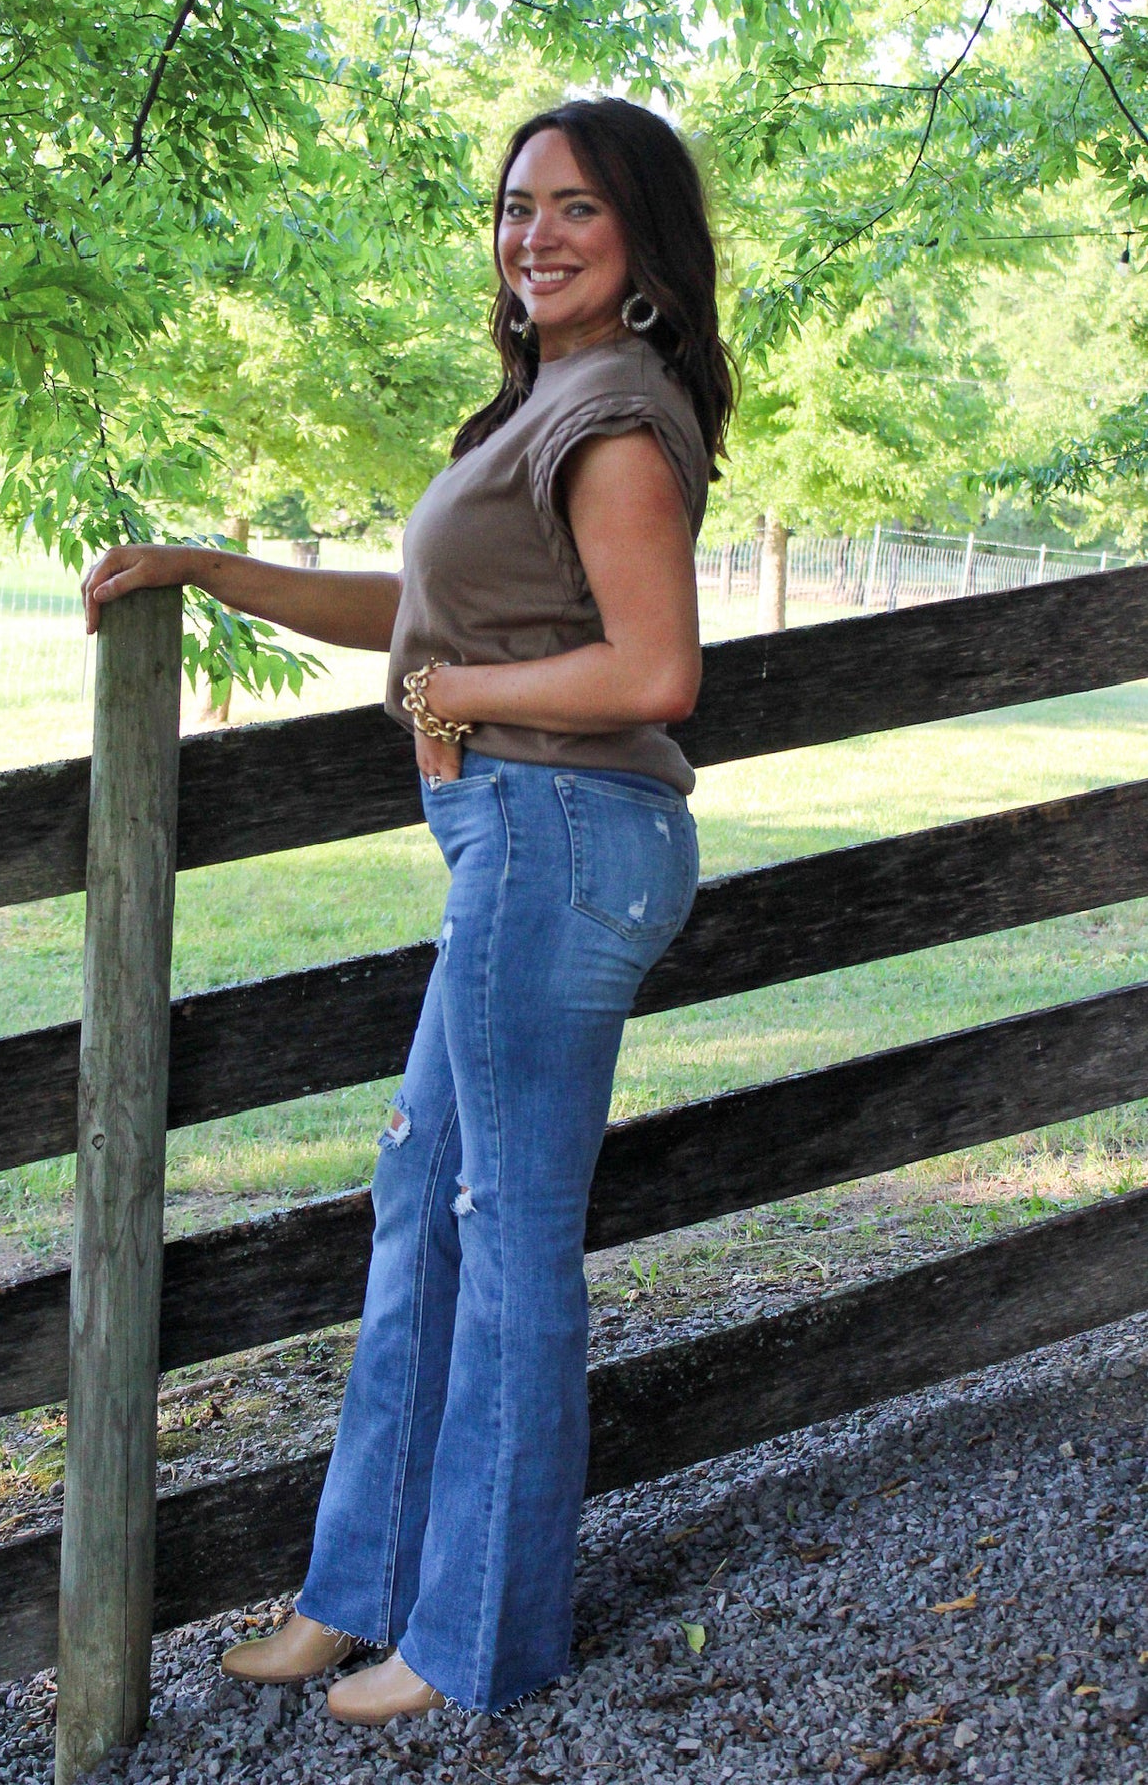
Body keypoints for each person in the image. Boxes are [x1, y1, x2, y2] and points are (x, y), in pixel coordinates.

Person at [81, 96, 736, 1725]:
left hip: (559, 836)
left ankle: (476, 1638)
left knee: (504, 1240)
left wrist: (452, 692)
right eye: (517, 206)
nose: (536, 234)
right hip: (521, 836)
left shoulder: (612, 416)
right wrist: (218, 572)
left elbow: (653, 671)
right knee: (424, 1212)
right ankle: (360, 1594)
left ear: (642, 235)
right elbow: (420, 612)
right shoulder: (542, 408)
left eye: (576, 207)